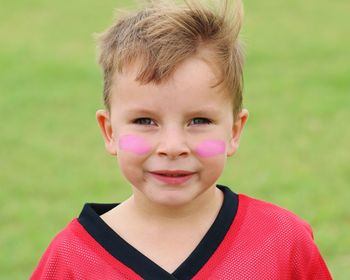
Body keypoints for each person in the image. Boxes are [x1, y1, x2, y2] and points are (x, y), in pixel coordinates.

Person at [31, 0, 332, 279]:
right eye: (145, 121)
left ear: (234, 131)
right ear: (110, 132)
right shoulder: (70, 260)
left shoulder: (282, 241)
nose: (173, 147)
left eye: (199, 121)